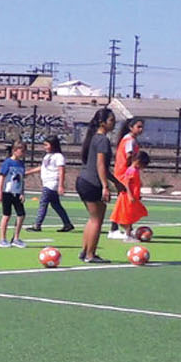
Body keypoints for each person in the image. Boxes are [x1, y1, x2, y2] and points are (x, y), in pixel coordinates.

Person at [75, 108, 118, 262]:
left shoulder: (94, 138)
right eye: (111, 120)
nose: (114, 123)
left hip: (84, 181)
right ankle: (90, 255)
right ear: (102, 122)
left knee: (94, 216)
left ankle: (85, 251)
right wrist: (105, 187)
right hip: (91, 182)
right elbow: (100, 165)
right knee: (96, 219)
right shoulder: (102, 140)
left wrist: (116, 183)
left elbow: (102, 167)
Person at [110, 117, 147, 240]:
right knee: (125, 202)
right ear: (131, 127)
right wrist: (132, 169)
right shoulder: (129, 140)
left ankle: (122, 228)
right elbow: (129, 156)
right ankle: (119, 228)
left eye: (142, 127)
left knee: (124, 202)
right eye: (138, 127)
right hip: (123, 173)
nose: (141, 129)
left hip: (125, 173)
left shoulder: (130, 139)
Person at [32, 136, 75, 233]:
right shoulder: (47, 156)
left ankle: (37, 225)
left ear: (53, 145)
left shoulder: (58, 156)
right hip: (47, 183)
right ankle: (67, 224)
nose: (44, 147)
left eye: (46, 145)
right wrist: (27, 172)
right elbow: (41, 168)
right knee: (56, 205)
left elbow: (61, 171)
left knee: (43, 203)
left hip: (52, 184)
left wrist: (61, 185)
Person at [0, 142, 29, 248]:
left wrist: (22, 192)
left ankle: (16, 238)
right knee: (6, 215)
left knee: (21, 215)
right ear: (15, 150)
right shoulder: (8, 162)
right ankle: (2, 239)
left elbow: (22, 179)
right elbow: (2, 177)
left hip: (17, 193)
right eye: (21, 151)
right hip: (7, 192)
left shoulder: (21, 164)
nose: (23, 153)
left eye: (24, 151)